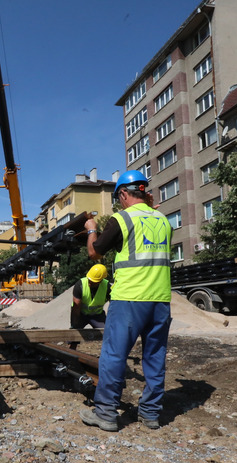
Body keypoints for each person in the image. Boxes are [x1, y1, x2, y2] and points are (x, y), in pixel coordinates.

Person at [80, 170, 172, 432]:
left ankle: (107, 414)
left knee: (114, 356)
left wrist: (91, 230)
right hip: (160, 300)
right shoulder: (164, 221)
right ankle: (151, 415)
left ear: (122, 194)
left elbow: (94, 252)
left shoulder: (122, 219)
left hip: (130, 299)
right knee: (155, 357)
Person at [69, 263, 111, 350]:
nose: (89, 283)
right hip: (81, 314)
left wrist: (112, 322)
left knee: (108, 334)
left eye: (93, 282)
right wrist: (74, 325)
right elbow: (76, 307)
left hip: (97, 316)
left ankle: (108, 353)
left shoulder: (107, 287)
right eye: (89, 280)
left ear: (100, 281)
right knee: (74, 335)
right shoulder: (80, 285)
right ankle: (71, 351)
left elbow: (114, 305)